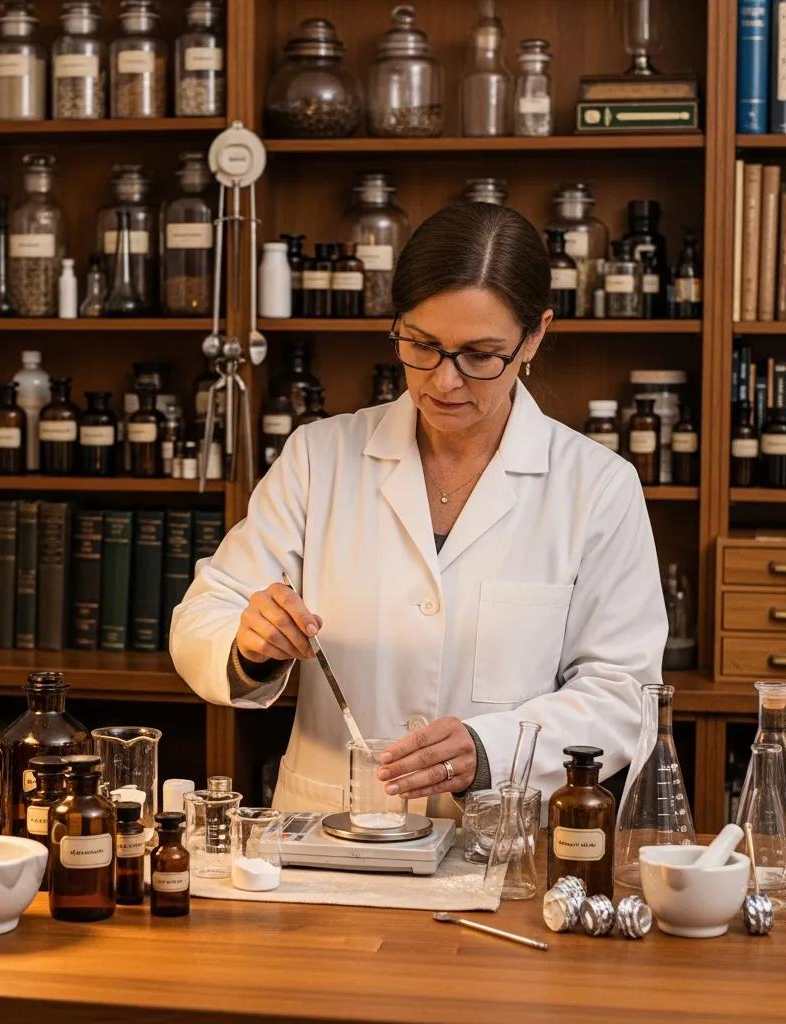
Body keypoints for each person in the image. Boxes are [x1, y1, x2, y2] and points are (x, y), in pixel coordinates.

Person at [170, 202, 666, 818]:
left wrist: (490, 750)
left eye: (480, 356)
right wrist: (249, 643)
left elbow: (622, 692)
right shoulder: (319, 457)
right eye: (422, 346)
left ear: (534, 335)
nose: (444, 382)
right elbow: (206, 611)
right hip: (331, 833)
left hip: (498, 842)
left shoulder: (596, 486)